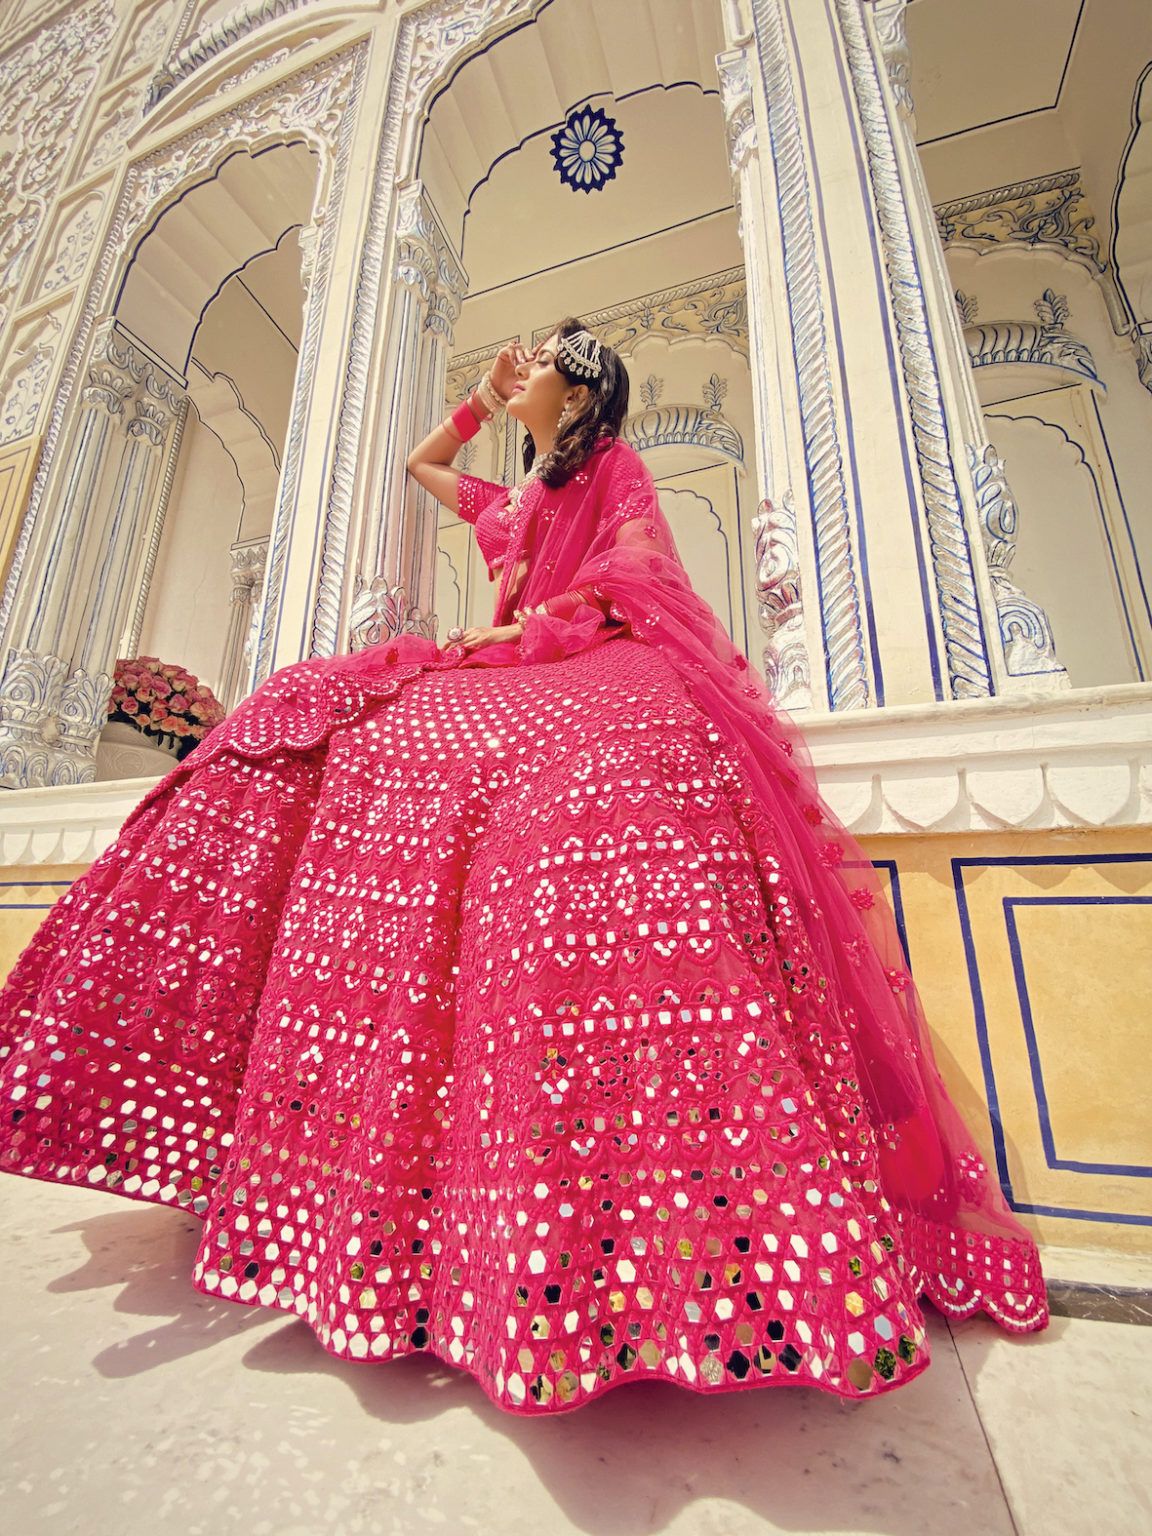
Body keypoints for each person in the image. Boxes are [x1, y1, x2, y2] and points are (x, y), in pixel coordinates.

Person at [0, 317, 1047, 1417]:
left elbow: (635, 576)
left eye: (545, 356)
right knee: (298, 701)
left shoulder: (615, 468)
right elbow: (424, 469)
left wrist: (528, 631)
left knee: (559, 793)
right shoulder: (526, 499)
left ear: (586, 384)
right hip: (512, 663)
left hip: (588, 668)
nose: (530, 362)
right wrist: (485, 403)